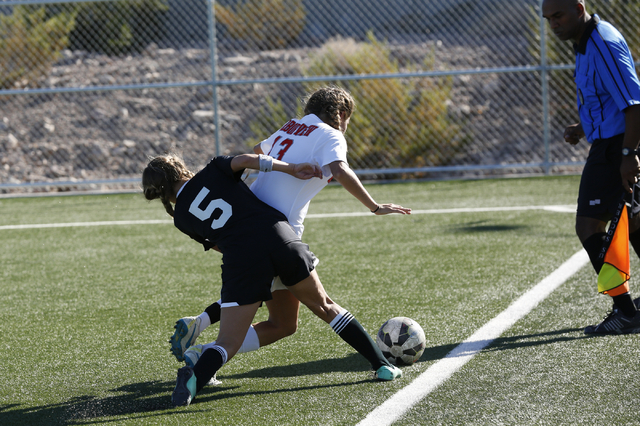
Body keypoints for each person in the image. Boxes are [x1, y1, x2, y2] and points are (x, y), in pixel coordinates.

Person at [169, 86, 411, 366]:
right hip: (279, 229)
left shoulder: (294, 125)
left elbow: (260, 150)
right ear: (341, 114)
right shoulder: (331, 134)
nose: (346, 127)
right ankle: (381, 364)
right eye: (347, 120)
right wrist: (375, 206)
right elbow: (341, 169)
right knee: (317, 304)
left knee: (283, 322)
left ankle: (202, 336)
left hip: (247, 218)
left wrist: (289, 169)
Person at [142, 153, 402, 406]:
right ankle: (382, 365)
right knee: (325, 306)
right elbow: (246, 160)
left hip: (244, 260)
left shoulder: (181, 219)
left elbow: (220, 245)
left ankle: (194, 380)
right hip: (280, 238)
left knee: (228, 343)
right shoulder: (213, 168)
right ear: (180, 169)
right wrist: (291, 168)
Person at [542, 0, 640, 334]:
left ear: (579, 7)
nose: (553, 23)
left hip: (617, 147)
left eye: (559, 15)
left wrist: (629, 153)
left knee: (589, 228)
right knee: (636, 222)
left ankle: (626, 312)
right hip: (611, 142)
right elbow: (608, 99)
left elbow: (634, 104)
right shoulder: (584, 44)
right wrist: (584, 126)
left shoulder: (601, 42)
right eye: (548, 18)